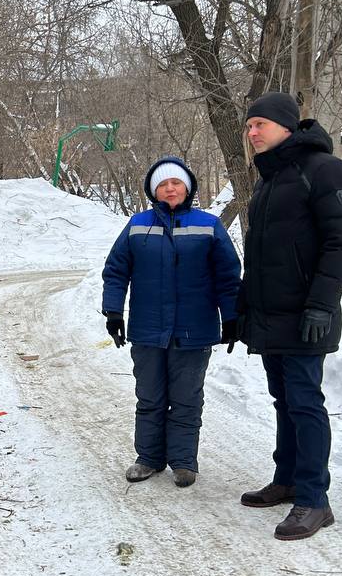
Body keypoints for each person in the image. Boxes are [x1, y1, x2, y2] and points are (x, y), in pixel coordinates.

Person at [237, 91, 342, 541]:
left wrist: (322, 304)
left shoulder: (325, 170)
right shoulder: (268, 179)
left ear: (287, 127)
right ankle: (286, 479)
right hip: (273, 315)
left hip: (309, 315)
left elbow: (340, 243)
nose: (252, 133)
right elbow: (263, 254)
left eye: (259, 125)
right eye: (249, 126)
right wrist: (244, 308)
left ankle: (314, 499)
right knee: (283, 400)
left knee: (305, 403)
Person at [102, 157, 242, 488]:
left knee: (186, 397)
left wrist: (233, 317)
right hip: (149, 330)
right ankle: (149, 457)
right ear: (154, 190)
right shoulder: (137, 225)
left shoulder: (209, 225)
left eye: (175, 183)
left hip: (194, 331)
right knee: (149, 396)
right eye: (163, 184)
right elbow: (116, 270)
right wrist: (113, 312)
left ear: (187, 187)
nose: (170, 188)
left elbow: (228, 277)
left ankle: (183, 461)